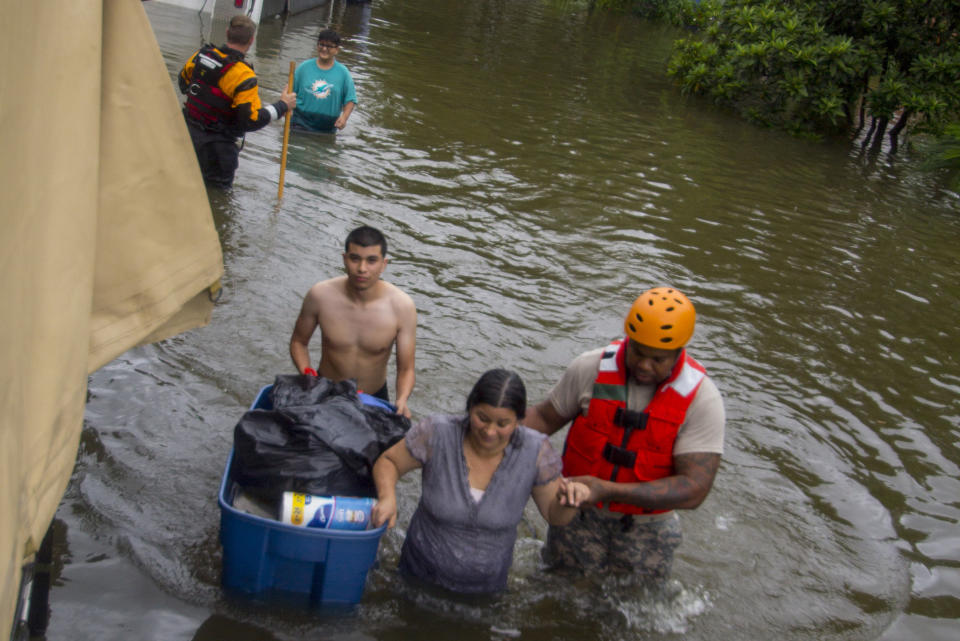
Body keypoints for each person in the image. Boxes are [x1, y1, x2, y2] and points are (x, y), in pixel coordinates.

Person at [524, 287, 725, 585]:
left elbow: (694, 489)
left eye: (658, 359)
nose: (644, 365)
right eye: (638, 352)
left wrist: (607, 490)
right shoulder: (590, 368)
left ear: (679, 351)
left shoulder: (702, 399)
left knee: (635, 606)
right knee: (558, 587)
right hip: (577, 513)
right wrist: (483, 435)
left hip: (647, 528)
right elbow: (542, 418)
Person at [370, 369, 591, 594]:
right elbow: (389, 462)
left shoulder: (535, 452)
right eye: (482, 418)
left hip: (486, 592)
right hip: (417, 577)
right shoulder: (437, 433)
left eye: (502, 423)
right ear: (470, 407)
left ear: (519, 421)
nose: (489, 431)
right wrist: (387, 497)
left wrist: (570, 501)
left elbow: (555, 515)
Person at [289, 226, 416, 417]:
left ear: (384, 264)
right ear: (344, 259)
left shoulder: (402, 307)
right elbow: (299, 342)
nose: (362, 268)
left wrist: (402, 399)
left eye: (371, 260)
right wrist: (306, 373)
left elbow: (406, 368)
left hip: (373, 398)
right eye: (355, 258)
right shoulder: (320, 295)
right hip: (325, 390)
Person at [178, 15, 296, 189]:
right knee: (216, 198)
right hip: (217, 151)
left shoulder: (201, 55)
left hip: (186, 137)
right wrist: (282, 106)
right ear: (251, 40)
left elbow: (183, 84)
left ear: (227, 33)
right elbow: (250, 120)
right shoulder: (244, 76)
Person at [290, 29, 357, 133]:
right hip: (300, 123)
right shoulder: (303, 68)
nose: (324, 49)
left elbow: (350, 99)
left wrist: (344, 117)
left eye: (329, 46)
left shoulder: (343, 73)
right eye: (321, 45)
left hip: (327, 128)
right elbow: (289, 91)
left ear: (337, 49)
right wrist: (287, 109)